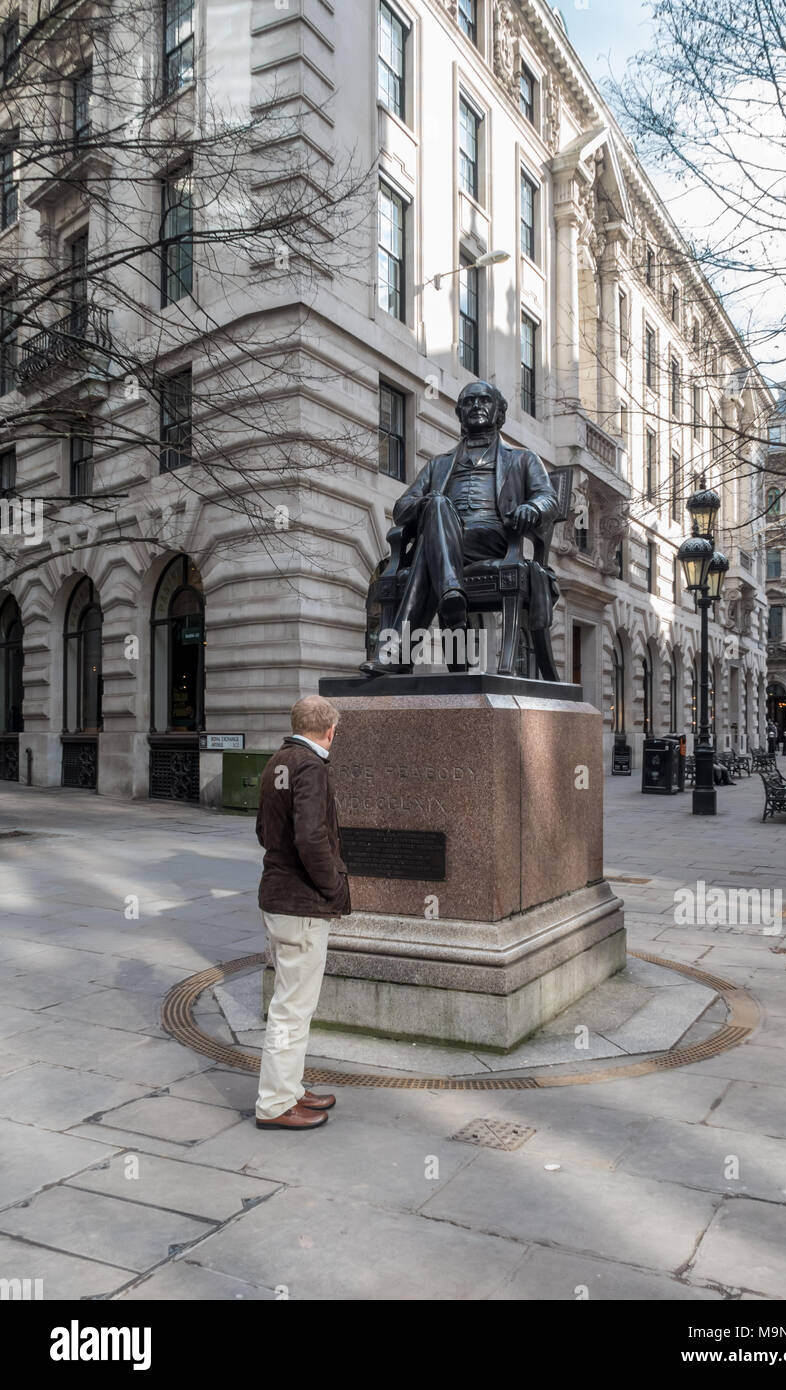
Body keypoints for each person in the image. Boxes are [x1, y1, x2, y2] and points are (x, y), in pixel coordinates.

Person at [360, 380, 559, 675]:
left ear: (499, 412)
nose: (476, 405)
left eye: (484, 400)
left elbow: (548, 499)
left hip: (491, 539)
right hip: (445, 542)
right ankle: (451, 593)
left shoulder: (522, 458)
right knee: (437, 506)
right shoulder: (438, 464)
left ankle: (402, 651)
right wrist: (427, 505)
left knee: (430, 543)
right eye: (468, 401)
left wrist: (532, 508)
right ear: (459, 413)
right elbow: (402, 509)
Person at [254, 695, 351, 1132]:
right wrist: (333, 886)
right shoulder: (311, 766)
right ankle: (275, 1103)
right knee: (292, 1008)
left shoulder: (278, 760)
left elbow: (263, 831)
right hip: (301, 902)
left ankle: (290, 1089)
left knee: (292, 1002)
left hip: (278, 895)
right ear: (330, 730)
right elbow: (311, 838)